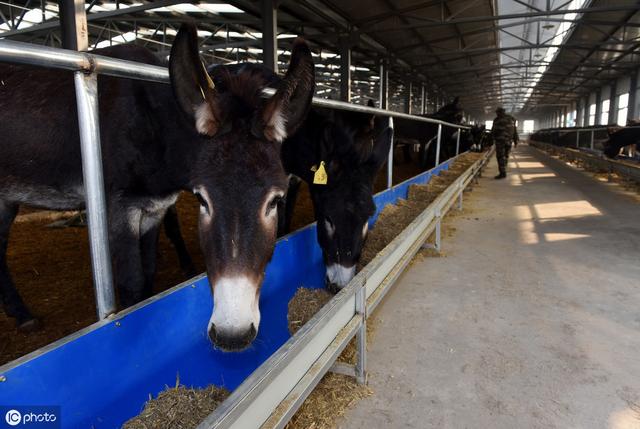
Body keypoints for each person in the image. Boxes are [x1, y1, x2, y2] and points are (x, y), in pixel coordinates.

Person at [491, 107, 519, 179]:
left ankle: (502, 173)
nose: (496, 114)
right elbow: (515, 130)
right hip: (509, 141)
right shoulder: (512, 119)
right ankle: (504, 169)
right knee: (506, 156)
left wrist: (491, 140)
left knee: (500, 157)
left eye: (497, 112)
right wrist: (516, 140)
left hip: (500, 141)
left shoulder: (497, 120)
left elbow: (493, 131)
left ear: (499, 112)